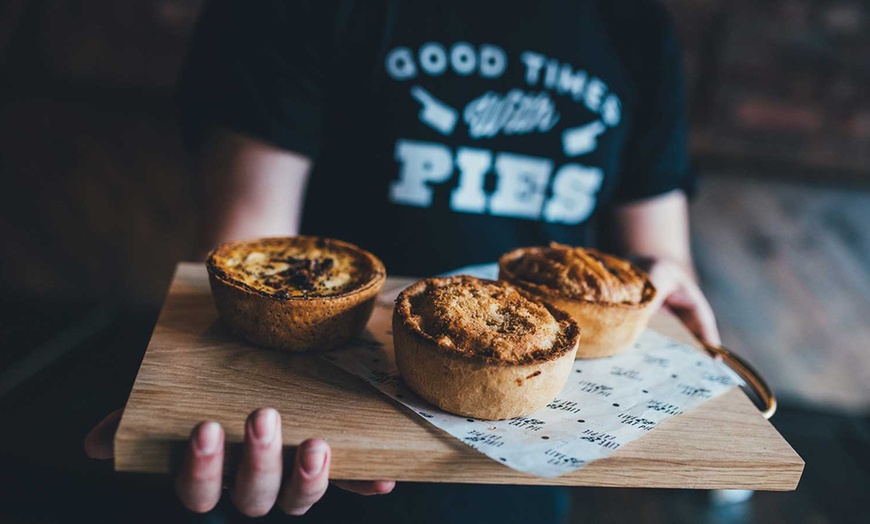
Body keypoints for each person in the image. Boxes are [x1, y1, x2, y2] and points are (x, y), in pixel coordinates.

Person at [86, 0, 721, 521]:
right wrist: (210, 396)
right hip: (320, 421)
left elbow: (662, 256)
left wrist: (670, 282)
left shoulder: (633, 24)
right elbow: (248, 252)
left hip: (524, 465)